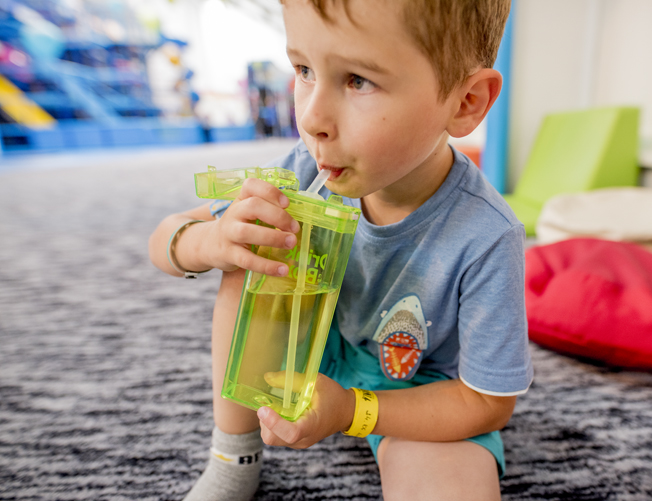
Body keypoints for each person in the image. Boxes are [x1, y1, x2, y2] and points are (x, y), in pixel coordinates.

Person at [148, 0, 532, 499]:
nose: (312, 119)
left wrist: (353, 411)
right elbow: (165, 238)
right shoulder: (303, 169)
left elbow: (485, 402)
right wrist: (211, 241)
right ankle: (233, 456)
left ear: (466, 103)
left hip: (422, 390)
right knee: (249, 243)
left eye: (358, 80)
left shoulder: (487, 236)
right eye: (304, 70)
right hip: (310, 347)